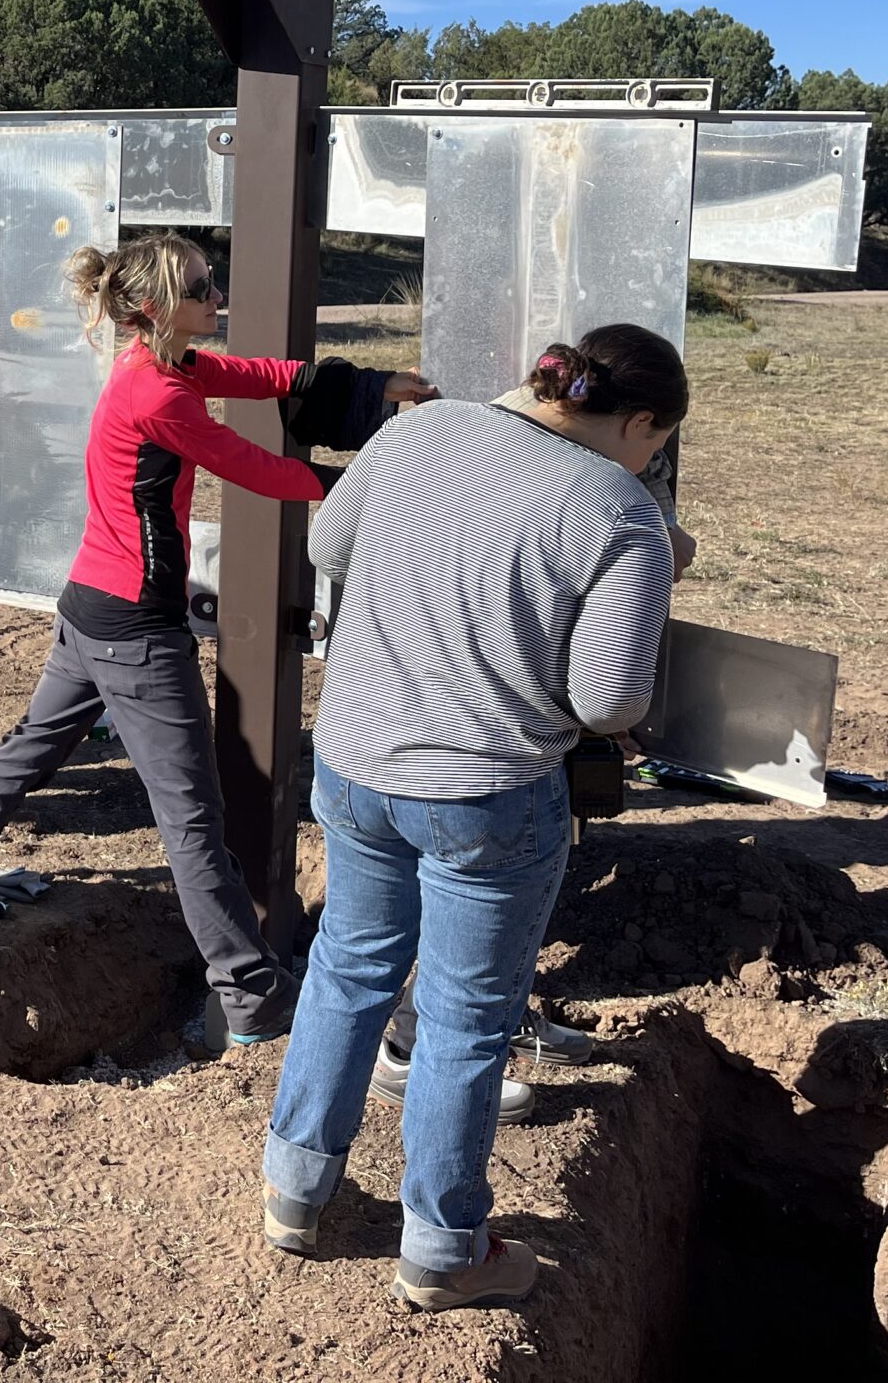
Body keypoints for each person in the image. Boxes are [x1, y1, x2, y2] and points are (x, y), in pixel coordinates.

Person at [0, 233, 430, 1047]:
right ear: (152, 308)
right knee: (192, 820)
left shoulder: (155, 366)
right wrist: (373, 478)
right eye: (202, 289)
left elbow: (250, 375)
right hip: (134, 626)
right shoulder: (159, 397)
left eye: (213, 283)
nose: (217, 298)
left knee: (28, 750)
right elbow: (257, 468)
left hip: (91, 603)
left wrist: (365, 385)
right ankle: (250, 995)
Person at [262, 323, 685, 1313]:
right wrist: (649, 560)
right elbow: (609, 702)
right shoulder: (620, 512)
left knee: (349, 967)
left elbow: (329, 542)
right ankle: (445, 1251)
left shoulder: (419, 429)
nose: (649, 464)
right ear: (633, 422)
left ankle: (294, 1188)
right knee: (462, 1021)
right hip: (485, 797)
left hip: (355, 762)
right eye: (653, 446)